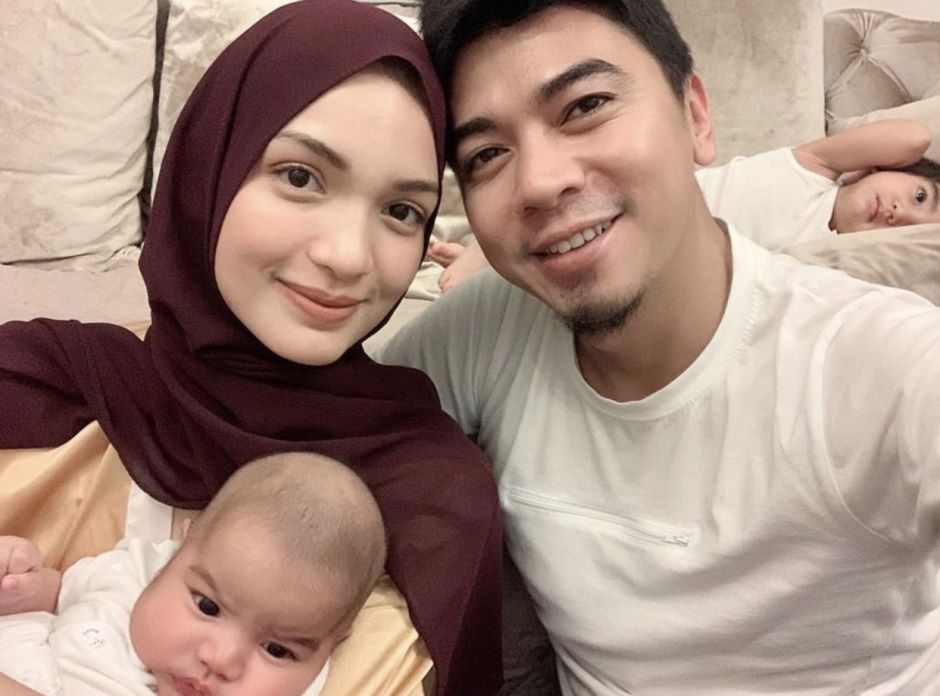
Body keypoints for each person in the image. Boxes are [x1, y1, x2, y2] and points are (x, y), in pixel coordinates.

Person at [374, 0, 940, 693]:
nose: (541, 182)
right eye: (487, 154)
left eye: (585, 107)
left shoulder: (875, 362)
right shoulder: (485, 327)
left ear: (695, 116)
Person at [0, 2, 502, 695]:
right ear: (209, 167)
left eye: (400, 211)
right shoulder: (42, 381)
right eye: (300, 176)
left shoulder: (431, 505)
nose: (348, 256)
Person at [0, 452, 384, 696]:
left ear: (335, 642)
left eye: (277, 650)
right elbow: (65, 593)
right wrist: (24, 589)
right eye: (208, 607)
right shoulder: (132, 571)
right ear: (178, 550)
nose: (221, 660)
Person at [429, 118, 940, 291]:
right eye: (918, 195)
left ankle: (485, 262)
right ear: (882, 167)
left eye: (913, 225)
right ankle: (481, 252)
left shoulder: (821, 253)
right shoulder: (814, 168)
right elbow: (913, 136)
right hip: (642, 200)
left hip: (653, 255)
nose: (900, 213)